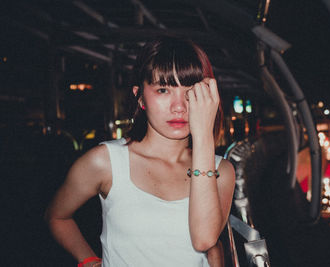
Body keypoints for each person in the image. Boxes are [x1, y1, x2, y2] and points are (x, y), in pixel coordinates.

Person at [45, 36, 236, 267]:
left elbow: (205, 240)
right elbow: (57, 216)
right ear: (140, 97)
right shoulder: (106, 162)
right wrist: (88, 261)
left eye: (190, 92)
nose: (179, 107)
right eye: (163, 90)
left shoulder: (221, 171)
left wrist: (205, 135)